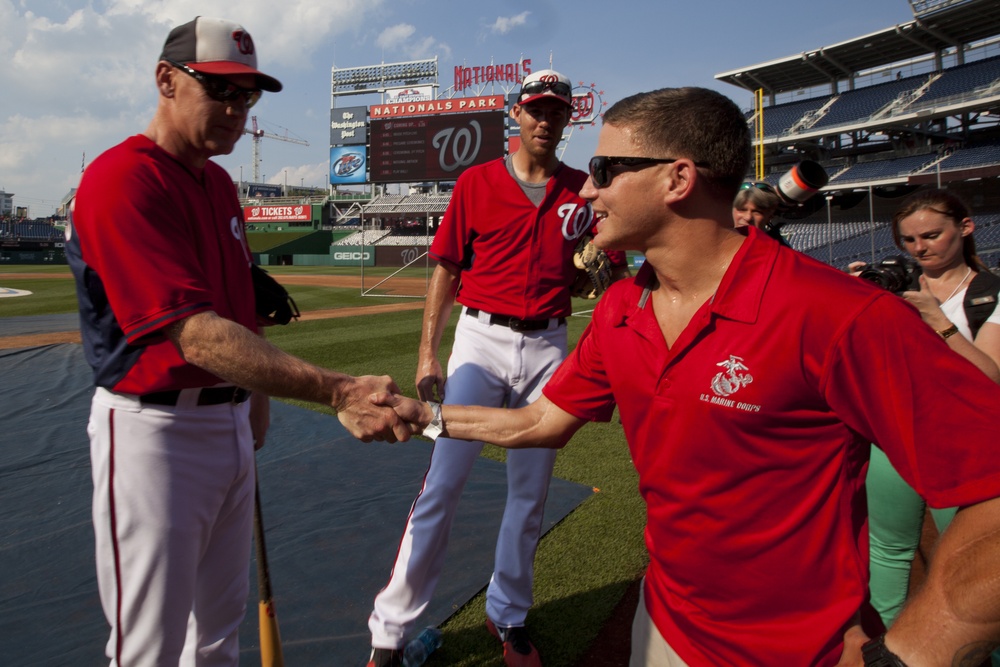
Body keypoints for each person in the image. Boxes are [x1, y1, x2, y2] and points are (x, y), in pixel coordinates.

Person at [375, 87, 1000, 666]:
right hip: (663, 629)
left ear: (678, 178)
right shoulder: (621, 309)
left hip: (801, 652)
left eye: (605, 172)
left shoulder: (840, 314)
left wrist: (911, 654)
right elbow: (541, 419)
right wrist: (420, 414)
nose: (588, 193)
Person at [66, 17, 410, 666]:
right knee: (149, 649)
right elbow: (194, 332)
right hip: (153, 437)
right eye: (220, 89)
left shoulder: (221, 182)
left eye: (247, 95)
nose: (236, 110)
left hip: (228, 426)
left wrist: (253, 397)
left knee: (220, 635)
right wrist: (335, 387)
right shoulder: (121, 179)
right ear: (165, 80)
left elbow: (236, 307)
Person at [366, 68, 626, 667]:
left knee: (529, 494)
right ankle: (389, 631)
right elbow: (446, 269)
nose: (545, 119)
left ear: (569, 118)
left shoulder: (583, 190)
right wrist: (429, 352)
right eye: (536, 108)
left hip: (548, 344)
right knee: (442, 485)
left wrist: (596, 269)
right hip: (480, 342)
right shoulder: (477, 182)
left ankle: (507, 616)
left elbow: (600, 269)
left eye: (557, 110)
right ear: (515, 113)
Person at [865, 189, 1000, 634]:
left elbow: (990, 376)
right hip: (896, 434)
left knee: (971, 555)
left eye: (931, 235)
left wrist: (937, 320)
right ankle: (889, 646)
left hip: (965, 443)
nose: (920, 248)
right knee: (888, 550)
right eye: (908, 240)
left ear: (965, 228)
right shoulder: (895, 286)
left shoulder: (990, 292)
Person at [732, 180, 790, 245]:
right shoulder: (720, 245)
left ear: (770, 216)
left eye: (757, 212)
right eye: (742, 210)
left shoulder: (781, 250)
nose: (748, 217)